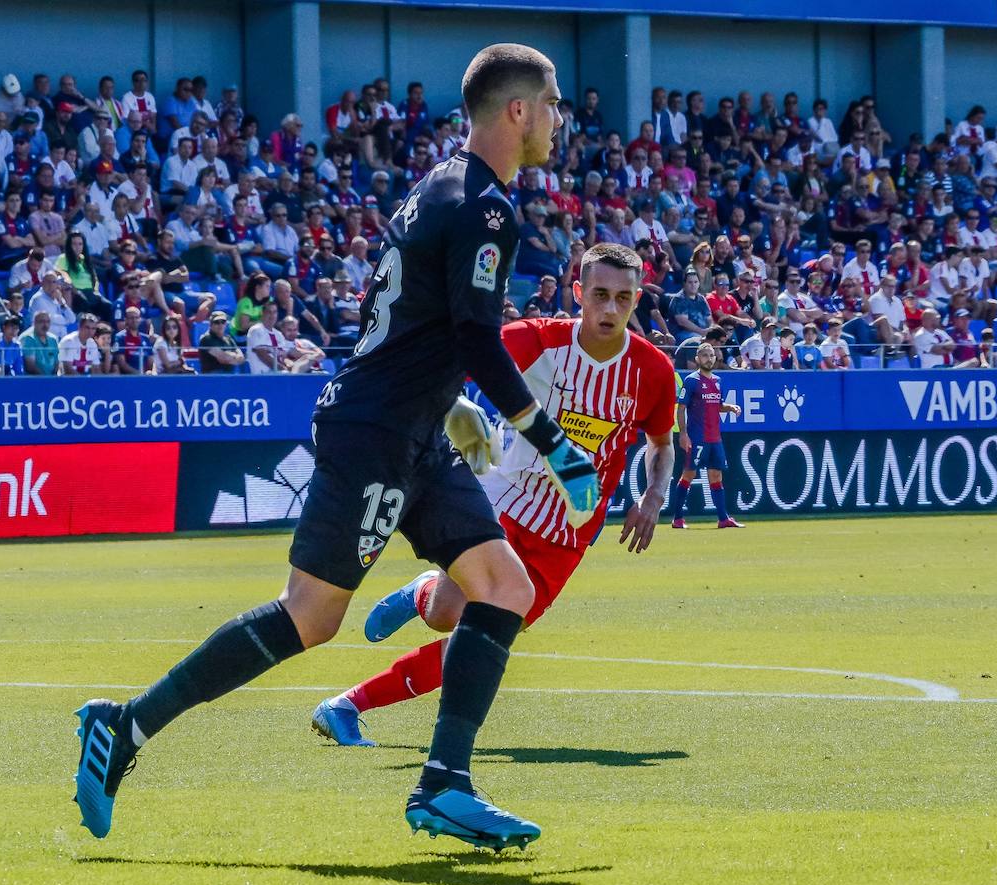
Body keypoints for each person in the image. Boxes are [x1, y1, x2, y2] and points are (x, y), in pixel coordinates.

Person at [71, 45, 600, 853]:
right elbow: (477, 336)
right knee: (311, 616)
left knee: (503, 585)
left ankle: (445, 784)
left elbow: (396, 317)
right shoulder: (488, 208)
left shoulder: (436, 189)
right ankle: (125, 727)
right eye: (554, 104)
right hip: (379, 435)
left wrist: (445, 396)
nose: (561, 121)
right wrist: (552, 445)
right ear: (518, 111)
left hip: (413, 427)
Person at [312, 243, 676, 746]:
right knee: (452, 617)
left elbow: (663, 444)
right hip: (498, 501)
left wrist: (653, 496)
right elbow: (451, 353)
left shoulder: (654, 371)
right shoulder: (536, 340)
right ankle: (421, 601)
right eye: (599, 295)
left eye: (623, 298)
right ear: (578, 294)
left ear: (638, 299)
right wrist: (452, 402)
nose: (610, 309)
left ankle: (348, 704)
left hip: (567, 531)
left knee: (480, 635)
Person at [669, 341, 743, 529]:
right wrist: (684, 434)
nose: (708, 359)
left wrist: (730, 407)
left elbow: (718, 405)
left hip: (715, 437)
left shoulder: (718, 381)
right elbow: (681, 408)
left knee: (716, 475)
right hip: (697, 437)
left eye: (711, 355)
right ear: (697, 359)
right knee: (688, 474)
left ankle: (723, 518)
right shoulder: (691, 381)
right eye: (704, 355)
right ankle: (677, 519)